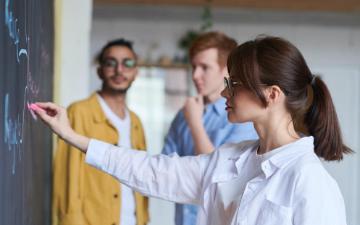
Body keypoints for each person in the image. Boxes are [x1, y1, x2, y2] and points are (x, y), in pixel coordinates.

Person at [35, 36, 351, 225]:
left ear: (272, 94)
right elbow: (152, 171)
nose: (226, 93)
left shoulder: (310, 182)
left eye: (235, 84)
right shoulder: (229, 160)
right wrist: (74, 136)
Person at [162, 32, 258, 225]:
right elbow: (166, 170)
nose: (195, 75)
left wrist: (195, 124)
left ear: (226, 70)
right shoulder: (183, 115)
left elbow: (221, 177)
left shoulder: (243, 118)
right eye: (194, 67)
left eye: (204, 67)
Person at [51, 39, 149, 225]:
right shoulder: (79, 112)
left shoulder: (136, 122)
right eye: (110, 63)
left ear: (136, 72)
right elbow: (67, 181)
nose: (119, 70)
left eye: (127, 63)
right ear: (100, 71)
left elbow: (141, 175)